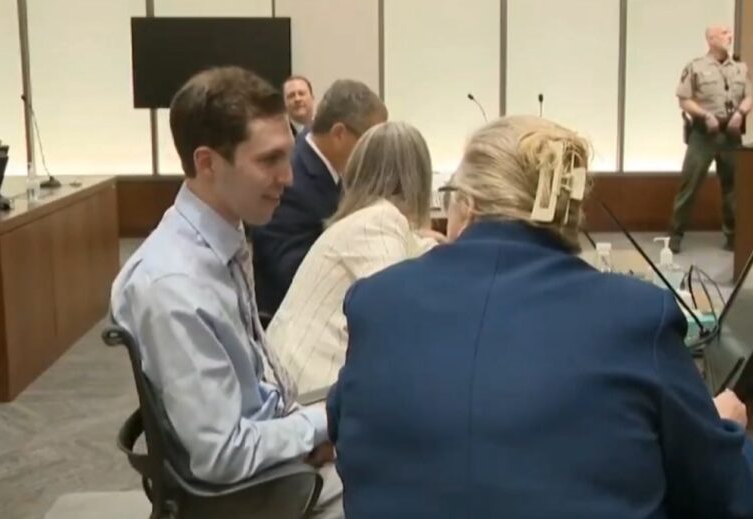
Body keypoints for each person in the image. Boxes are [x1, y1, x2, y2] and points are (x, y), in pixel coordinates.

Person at [327, 115, 753, 518]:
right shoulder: (636, 315)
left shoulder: (375, 302)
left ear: (468, 205)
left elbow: (347, 434)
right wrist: (722, 432)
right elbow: (721, 492)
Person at [111, 67, 342, 518]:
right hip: (253, 489)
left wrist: (307, 430)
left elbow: (255, 390)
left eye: (288, 157)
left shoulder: (218, 242)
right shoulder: (173, 286)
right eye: (268, 160)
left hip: (274, 459)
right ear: (207, 163)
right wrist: (321, 425)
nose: (289, 177)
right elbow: (221, 455)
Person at [267, 121, 443, 394]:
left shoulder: (364, 220)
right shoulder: (379, 220)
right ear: (419, 176)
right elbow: (401, 312)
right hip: (310, 394)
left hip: (292, 381)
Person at [252, 79, 388, 318]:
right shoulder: (288, 180)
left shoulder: (338, 169)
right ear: (339, 134)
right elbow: (291, 271)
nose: (374, 152)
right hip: (296, 320)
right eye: (369, 141)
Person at [670, 24, 752, 253]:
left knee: (734, 187)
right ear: (711, 39)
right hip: (703, 135)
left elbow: (750, 95)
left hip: (731, 135)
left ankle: (734, 236)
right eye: (724, 34)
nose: (730, 37)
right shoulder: (695, 67)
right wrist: (705, 115)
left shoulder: (739, 68)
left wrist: (741, 113)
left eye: (729, 33)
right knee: (690, 184)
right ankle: (675, 234)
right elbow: (684, 99)